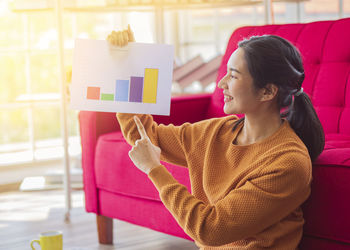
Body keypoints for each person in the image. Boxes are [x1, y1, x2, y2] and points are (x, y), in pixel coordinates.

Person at [107, 26, 325, 249]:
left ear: (267, 92)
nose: (221, 84)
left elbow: (210, 229)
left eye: (233, 76)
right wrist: (128, 64)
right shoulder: (216, 132)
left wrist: (154, 169)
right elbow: (145, 136)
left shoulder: (287, 163)